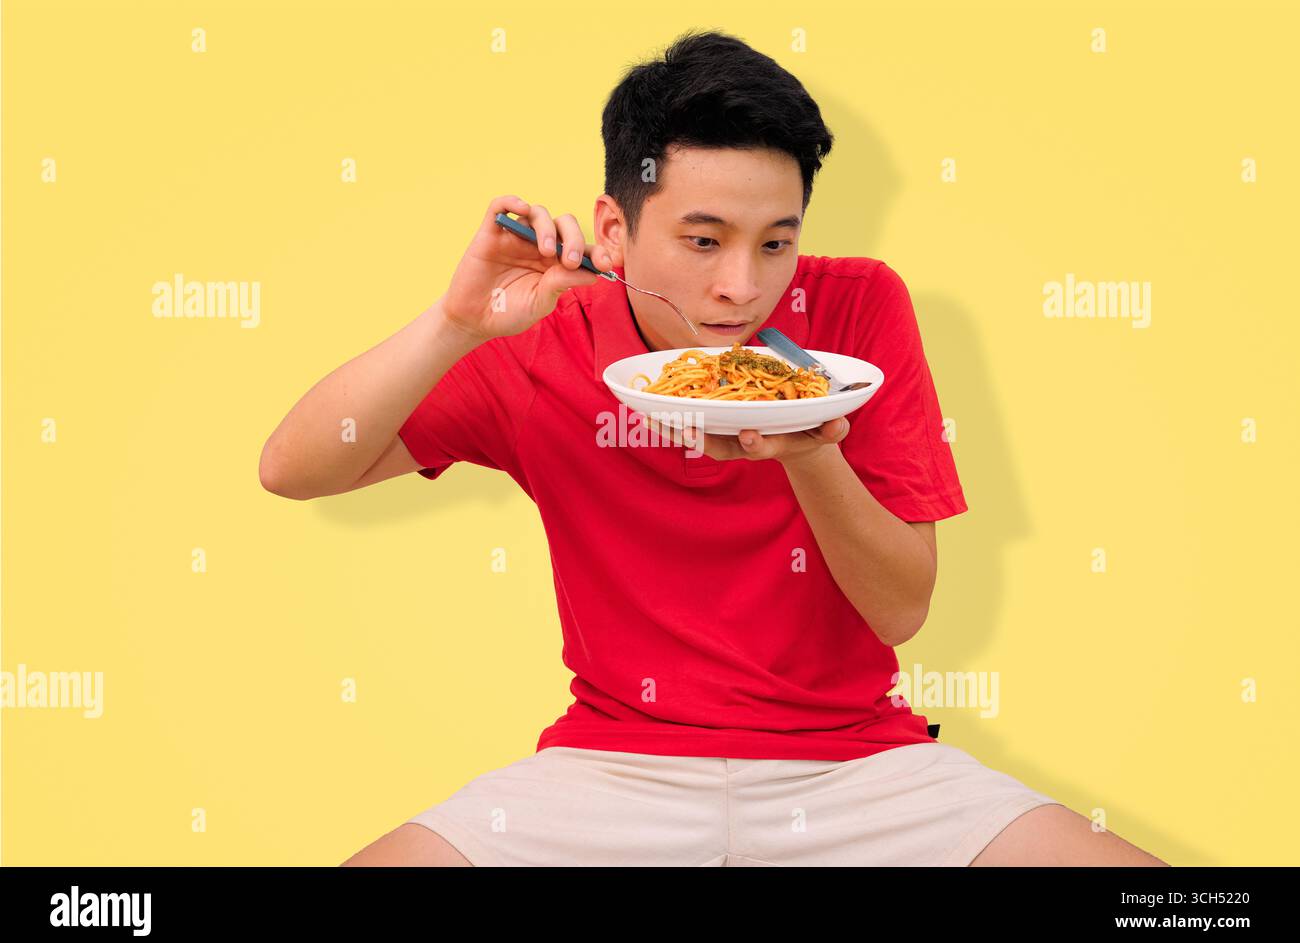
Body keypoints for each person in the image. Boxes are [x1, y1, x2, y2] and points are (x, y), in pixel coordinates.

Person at [261, 29, 1167, 867]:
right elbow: (292, 469)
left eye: (776, 243)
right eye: (703, 240)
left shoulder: (854, 315)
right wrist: (457, 323)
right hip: (613, 767)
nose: (741, 287)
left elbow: (901, 610)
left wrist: (811, 451)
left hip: (858, 768)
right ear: (613, 231)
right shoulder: (545, 338)